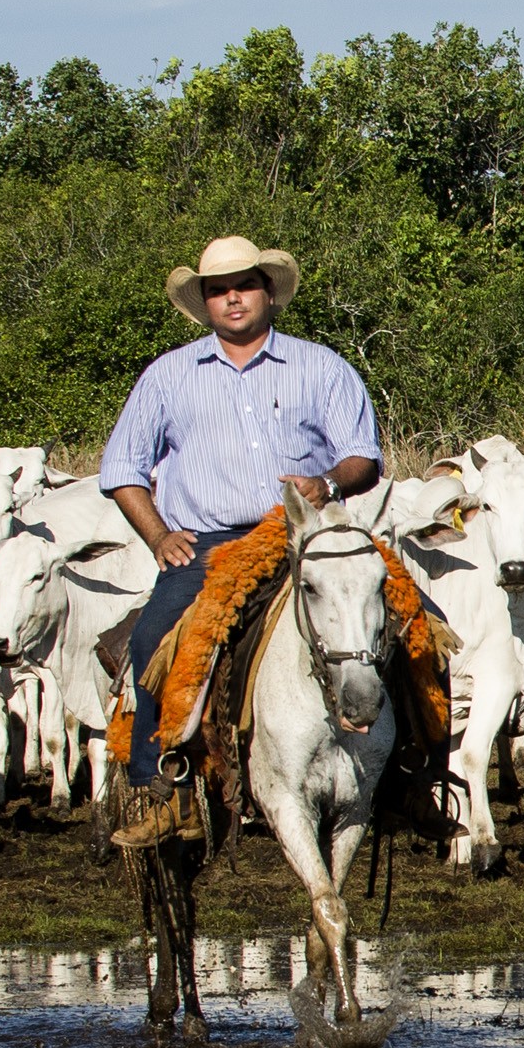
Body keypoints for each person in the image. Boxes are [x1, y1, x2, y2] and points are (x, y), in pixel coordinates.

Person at [98, 233, 382, 822]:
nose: (232, 299)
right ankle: (157, 787)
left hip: (306, 538)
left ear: (268, 293)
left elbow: (364, 456)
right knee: (153, 641)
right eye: (218, 290)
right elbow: (122, 468)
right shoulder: (168, 376)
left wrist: (325, 483)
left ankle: (417, 773)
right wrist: (158, 536)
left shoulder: (320, 365)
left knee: (415, 622)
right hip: (208, 545)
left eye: (244, 286)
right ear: (204, 303)